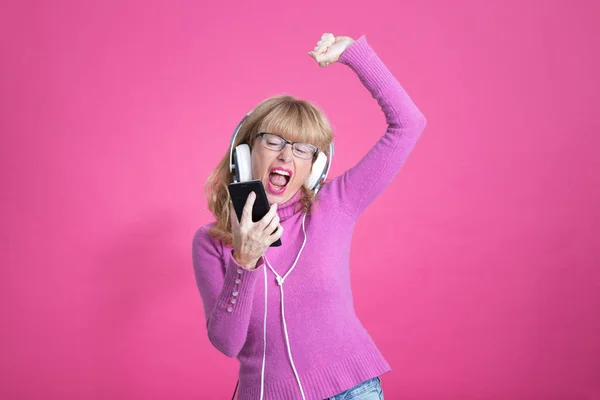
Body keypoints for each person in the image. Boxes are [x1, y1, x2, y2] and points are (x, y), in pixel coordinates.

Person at [192, 32, 426, 400]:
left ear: (314, 168)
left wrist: (354, 55)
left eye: (303, 149)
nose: (287, 157)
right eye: (274, 141)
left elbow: (408, 125)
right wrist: (245, 259)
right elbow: (227, 342)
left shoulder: (336, 205)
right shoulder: (211, 242)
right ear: (244, 150)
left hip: (353, 391)